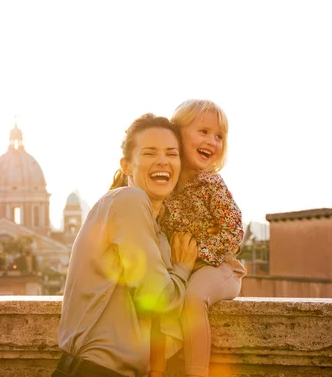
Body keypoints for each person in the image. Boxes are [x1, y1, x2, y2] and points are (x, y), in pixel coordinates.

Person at [53, 113, 198, 377]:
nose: (163, 160)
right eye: (150, 153)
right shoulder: (128, 200)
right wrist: (183, 268)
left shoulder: (156, 228)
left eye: (172, 153)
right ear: (126, 166)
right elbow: (159, 299)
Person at [150, 99, 247, 377]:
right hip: (183, 268)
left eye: (219, 136)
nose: (212, 141)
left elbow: (234, 231)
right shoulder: (167, 184)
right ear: (177, 135)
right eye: (203, 132)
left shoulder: (211, 184)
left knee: (193, 299)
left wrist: (199, 253)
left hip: (220, 268)